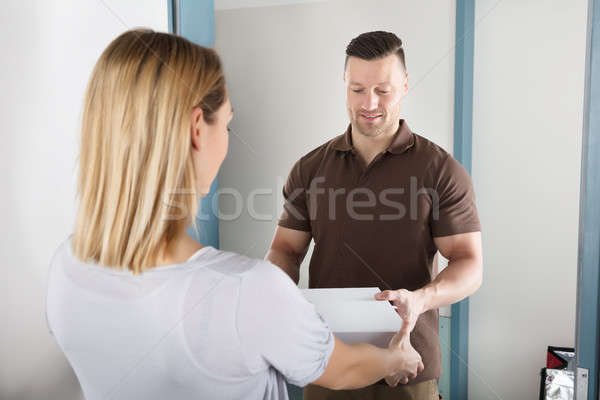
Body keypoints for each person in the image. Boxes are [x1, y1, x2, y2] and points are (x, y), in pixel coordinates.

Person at [45, 29, 425, 400]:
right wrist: (397, 359)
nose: (369, 102)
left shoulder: (66, 268)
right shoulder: (248, 291)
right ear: (197, 129)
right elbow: (343, 369)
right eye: (227, 124)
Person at [266, 31, 483, 400]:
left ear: (405, 85)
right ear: (344, 86)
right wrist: (272, 299)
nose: (369, 103)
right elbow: (286, 250)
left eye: (383, 90)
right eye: (357, 89)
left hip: (408, 368)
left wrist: (421, 300)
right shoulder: (309, 169)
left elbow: (469, 264)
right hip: (328, 364)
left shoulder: (440, 170)